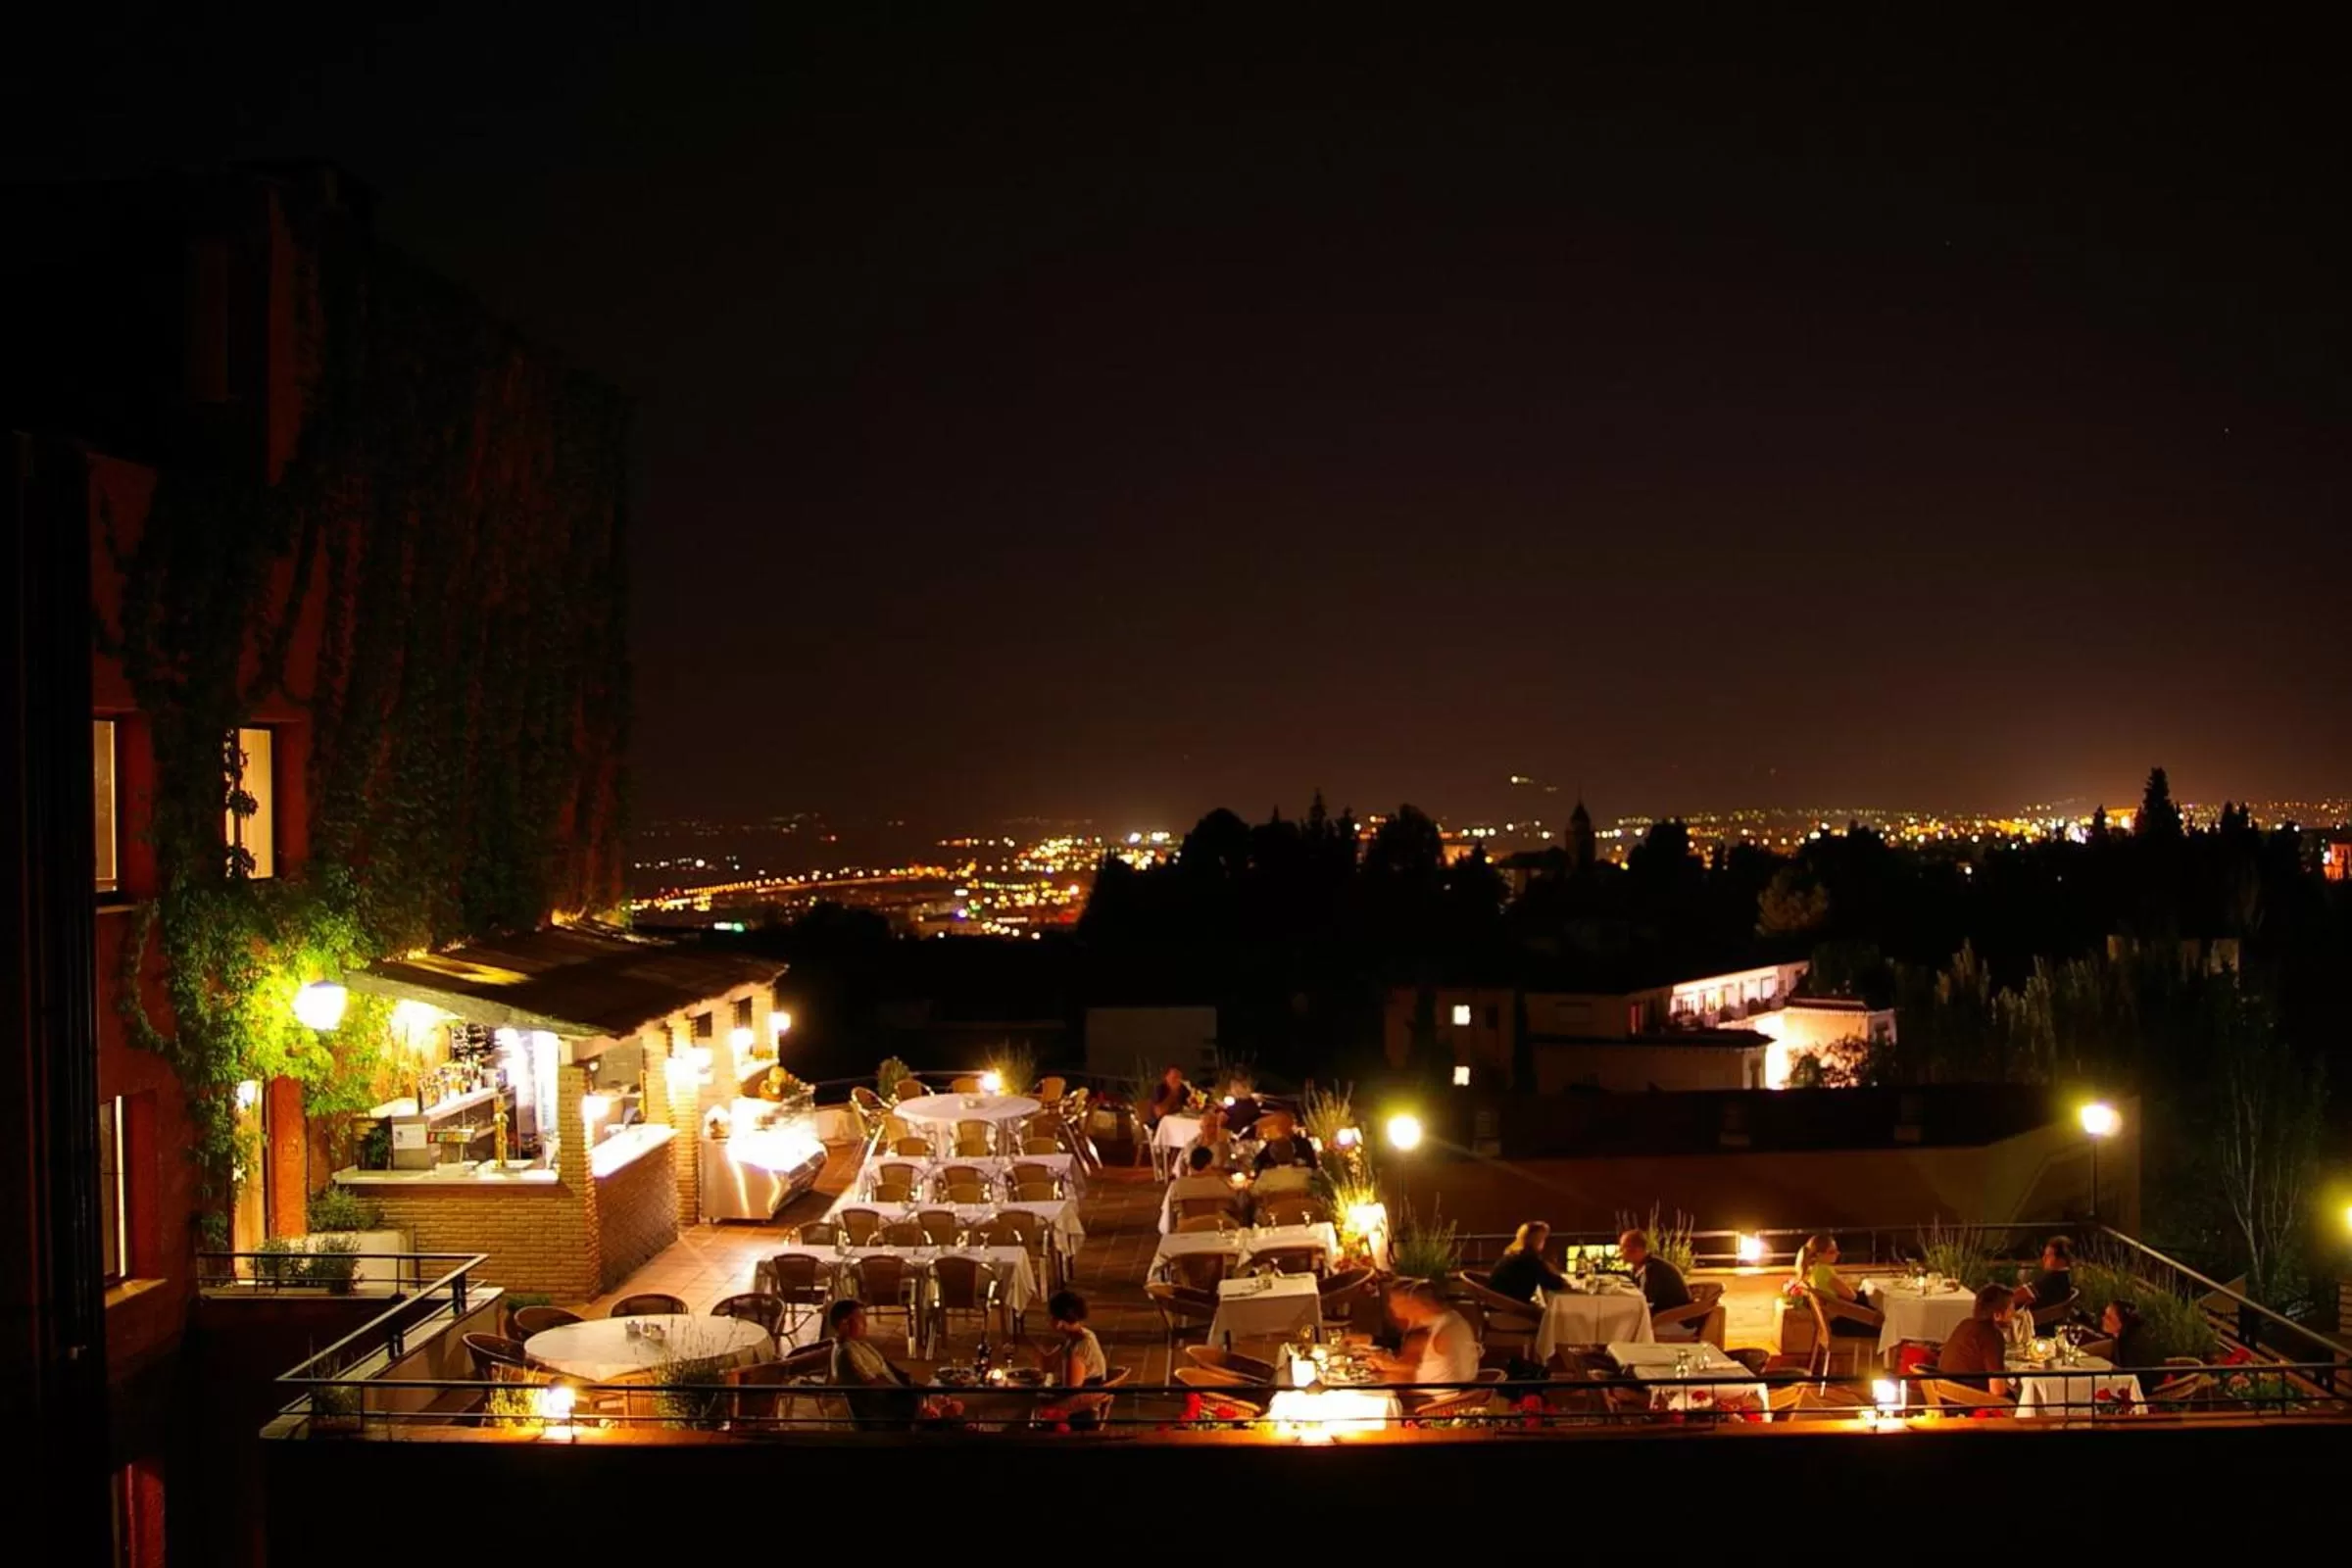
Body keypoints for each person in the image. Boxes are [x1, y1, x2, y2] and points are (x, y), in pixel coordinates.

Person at [827, 1298, 963, 1427]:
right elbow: (874, 1388)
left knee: (949, 1403)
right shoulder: (847, 1353)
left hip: (901, 1402)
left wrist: (917, 1389)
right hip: (892, 1414)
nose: (866, 1324)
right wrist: (921, 1403)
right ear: (844, 1324)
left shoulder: (858, 1345)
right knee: (954, 1412)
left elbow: (886, 1370)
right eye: (860, 1320)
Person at [1371, 1280, 1480, 1398]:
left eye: (1394, 1301)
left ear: (1411, 1303)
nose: (1390, 1305)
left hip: (1437, 1402)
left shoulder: (1440, 1330)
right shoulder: (1451, 1318)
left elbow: (1411, 1370)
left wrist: (1386, 1365)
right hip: (1446, 1393)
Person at [1028, 1290, 1111, 1429]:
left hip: (1079, 1415)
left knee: (1026, 1410)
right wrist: (1030, 1346)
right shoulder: (1079, 1336)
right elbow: (1047, 1366)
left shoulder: (1078, 1346)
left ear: (1060, 1320)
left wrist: (1044, 1398)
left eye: (1050, 1316)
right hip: (1077, 1407)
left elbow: (1071, 1390)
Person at [1933, 1283, 2016, 1398]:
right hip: (1967, 1401)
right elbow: (1997, 1391)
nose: (2013, 1315)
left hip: (1945, 1395)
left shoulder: (1966, 1324)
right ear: (1997, 1315)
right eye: (2011, 1310)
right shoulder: (1992, 1335)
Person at [1487, 1222, 1570, 1302]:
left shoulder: (1513, 1254)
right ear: (1536, 1240)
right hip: (1508, 1307)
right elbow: (1552, 1283)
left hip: (1496, 1303)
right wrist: (1564, 1281)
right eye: (1542, 1239)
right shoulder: (1529, 1259)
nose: (1544, 1243)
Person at [1619, 1228, 1693, 1314]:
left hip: (1677, 1320)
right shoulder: (1639, 1269)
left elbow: (1648, 1304)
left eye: (1623, 1247)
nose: (1620, 1252)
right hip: (1666, 1317)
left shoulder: (1654, 1270)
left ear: (1637, 1249)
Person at [2082, 1298, 2154, 1368]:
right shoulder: (2119, 1338)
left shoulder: (2130, 1346)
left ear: (2121, 1324)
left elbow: (2129, 1373)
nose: (2103, 1319)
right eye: (2105, 1315)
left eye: (2109, 1318)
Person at [2013, 1236, 2074, 1314]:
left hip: (2035, 1320)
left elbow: (2022, 1294)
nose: (2044, 1259)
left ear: (2061, 1260)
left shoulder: (2052, 1280)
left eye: (2048, 1256)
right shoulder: (2064, 1278)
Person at [1796, 1234, 1859, 1301]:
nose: (1837, 1253)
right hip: (1842, 1310)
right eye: (1832, 1252)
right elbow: (1852, 1296)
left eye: (1836, 1250)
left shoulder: (1815, 1269)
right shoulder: (1825, 1272)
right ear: (1819, 1255)